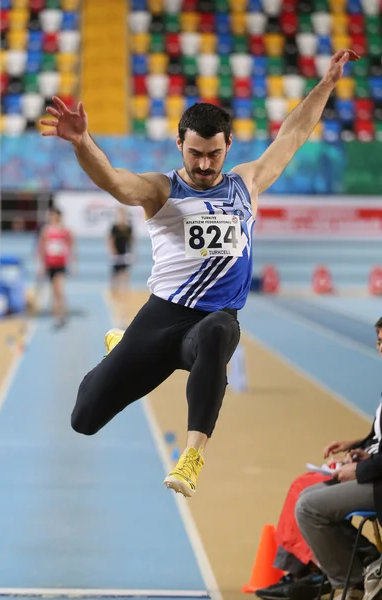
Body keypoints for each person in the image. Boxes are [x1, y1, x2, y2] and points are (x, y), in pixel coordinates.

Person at [40, 49, 360, 497]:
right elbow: (113, 180)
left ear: (228, 145)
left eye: (213, 154)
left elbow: (292, 135)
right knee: (84, 419)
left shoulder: (246, 183)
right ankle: (122, 347)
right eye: (195, 154)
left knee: (217, 332)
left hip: (211, 323)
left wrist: (325, 84)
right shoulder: (161, 190)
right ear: (179, 146)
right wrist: (82, 143)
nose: (204, 165)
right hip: (160, 318)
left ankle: (191, 455)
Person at [292, 317, 382, 600]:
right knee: (307, 494)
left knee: (309, 507)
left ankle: (354, 580)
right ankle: (365, 570)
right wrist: (362, 447)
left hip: (378, 480)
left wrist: (360, 470)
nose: (381, 349)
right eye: (380, 342)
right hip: (374, 470)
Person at [37, 206, 74, 329]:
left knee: (60, 289)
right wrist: (41, 266)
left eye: (53, 215)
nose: (51, 217)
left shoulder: (65, 230)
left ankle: (62, 314)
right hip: (50, 264)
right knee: (54, 291)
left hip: (60, 264)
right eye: (50, 215)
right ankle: (57, 316)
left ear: (58, 216)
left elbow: (71, 247)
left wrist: (73, 264)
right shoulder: (46, 230)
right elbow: (41, 248)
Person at [108, 207, 134, 301]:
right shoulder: (115, 227)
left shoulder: (128, 227)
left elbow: (131, 240)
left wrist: (132, 251)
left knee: (125, 272)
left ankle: (125, 289)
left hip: (125, 252)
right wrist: (112, 250)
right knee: (115, 272)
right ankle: (114, 288)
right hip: (116, 252)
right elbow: (111, 240)